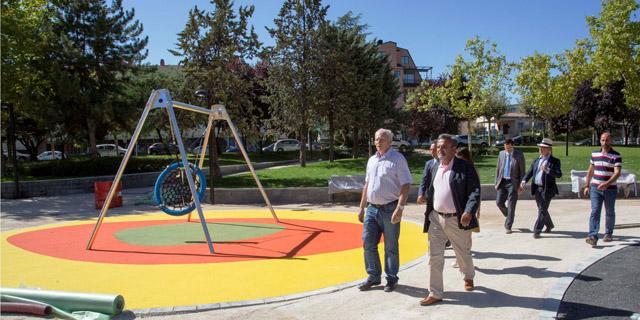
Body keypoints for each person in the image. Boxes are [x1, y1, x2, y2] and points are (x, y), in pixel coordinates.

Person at [419, 134, 480, 306]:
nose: (440, 150)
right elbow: (430, 188)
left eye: (444, 146)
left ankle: (468, 276)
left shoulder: (464, 167)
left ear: (454, 149)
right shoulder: (434, 166)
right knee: (434, 256)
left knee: (462, 252)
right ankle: (435, 292)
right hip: (436, 218)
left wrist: (468, 211)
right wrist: (423, 196)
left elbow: (474, 191)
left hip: (457, 219)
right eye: (438, 147)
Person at [357, 128, 412, 293]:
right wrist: (361, 207)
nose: (377, 142)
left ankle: (391, 278)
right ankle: (373, 276)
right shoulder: (372, 160)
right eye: (375, 139)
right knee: (368, 243)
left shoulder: (397, 159)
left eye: (381, 139)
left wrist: (400, 208)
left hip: (390, 208)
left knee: (391, 247)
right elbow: (367, 185)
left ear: (389, 141)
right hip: (372, 209)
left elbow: (406, 185)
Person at [583, 132, 622, 247]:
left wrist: (607, 183)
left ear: (611, 141)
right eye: (603, 140)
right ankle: (593, 236)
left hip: (610, 189)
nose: (605, 142)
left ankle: (608, 233)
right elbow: (590, 170)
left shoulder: (616, 155)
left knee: (609, 212)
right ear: (600, 141)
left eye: (607, 140)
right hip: (595, 187)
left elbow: (617, 173)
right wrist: (587, 185)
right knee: (595, 211)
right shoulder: (594, 154)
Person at [521, 138, 562, 239]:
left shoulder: (555, 161)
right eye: (540, 147)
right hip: (537, 189)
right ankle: (549, 225)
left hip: (547, 189)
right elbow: (530, 172)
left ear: (549, 149)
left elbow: (559, 174)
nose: (541, 149)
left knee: (542, 210)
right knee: (542, 209)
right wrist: (523, 181)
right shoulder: (537, 160)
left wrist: (547, 170)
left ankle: (537, 230)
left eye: (543, 148)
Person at [495, 138, 526, 234]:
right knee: (499, 202)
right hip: (502, 182)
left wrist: (521, 185)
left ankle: (508, 226)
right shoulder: (501, 154)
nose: (507, 149)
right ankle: (509, 214)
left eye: (508, 148)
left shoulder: (519, 155)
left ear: (512, 146)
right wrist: (496, 182)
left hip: (513, 183)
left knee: (511, 205)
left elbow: (522, 172)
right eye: (505, 147)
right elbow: (498, 168)